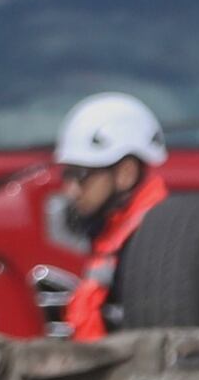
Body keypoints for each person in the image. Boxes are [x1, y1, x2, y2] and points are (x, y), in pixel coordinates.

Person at [50, 91, 168, 339]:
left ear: (125, 173)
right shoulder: (111, 235)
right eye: (67, 175)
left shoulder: (164, 243)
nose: (70, 189)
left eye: (80, 175)